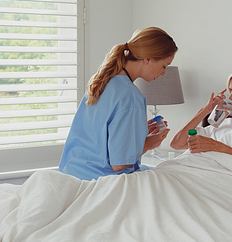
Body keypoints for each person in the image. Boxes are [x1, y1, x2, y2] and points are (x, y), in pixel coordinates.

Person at [59, 27, 178, 180]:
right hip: (102, 181)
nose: (164, 73)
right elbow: (120, 164)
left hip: (72, 175)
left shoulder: (101, 82)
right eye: (164, 66)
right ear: (147, 59)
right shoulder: (131, 97)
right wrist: (148, 144)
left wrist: (137, 132)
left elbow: (98, 135)